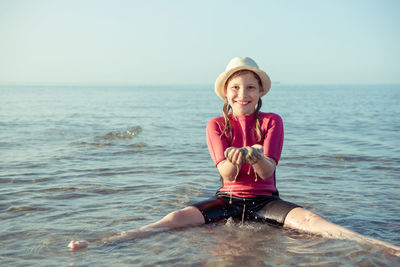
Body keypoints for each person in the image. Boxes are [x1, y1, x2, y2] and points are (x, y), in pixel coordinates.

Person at [69, 57, 400, 255]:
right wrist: (237, 156)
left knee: (313, 222)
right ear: (227, 93)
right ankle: (105, 243)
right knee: (174, 220)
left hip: (265, 200)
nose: (244, 94)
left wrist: (254, 156)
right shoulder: (216, 125)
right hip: (227, 199)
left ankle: (382, 247)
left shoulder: (272, 121)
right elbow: (227, 175)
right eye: (236, 88)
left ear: (260, 93)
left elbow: (268, 169)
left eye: (251, 87)